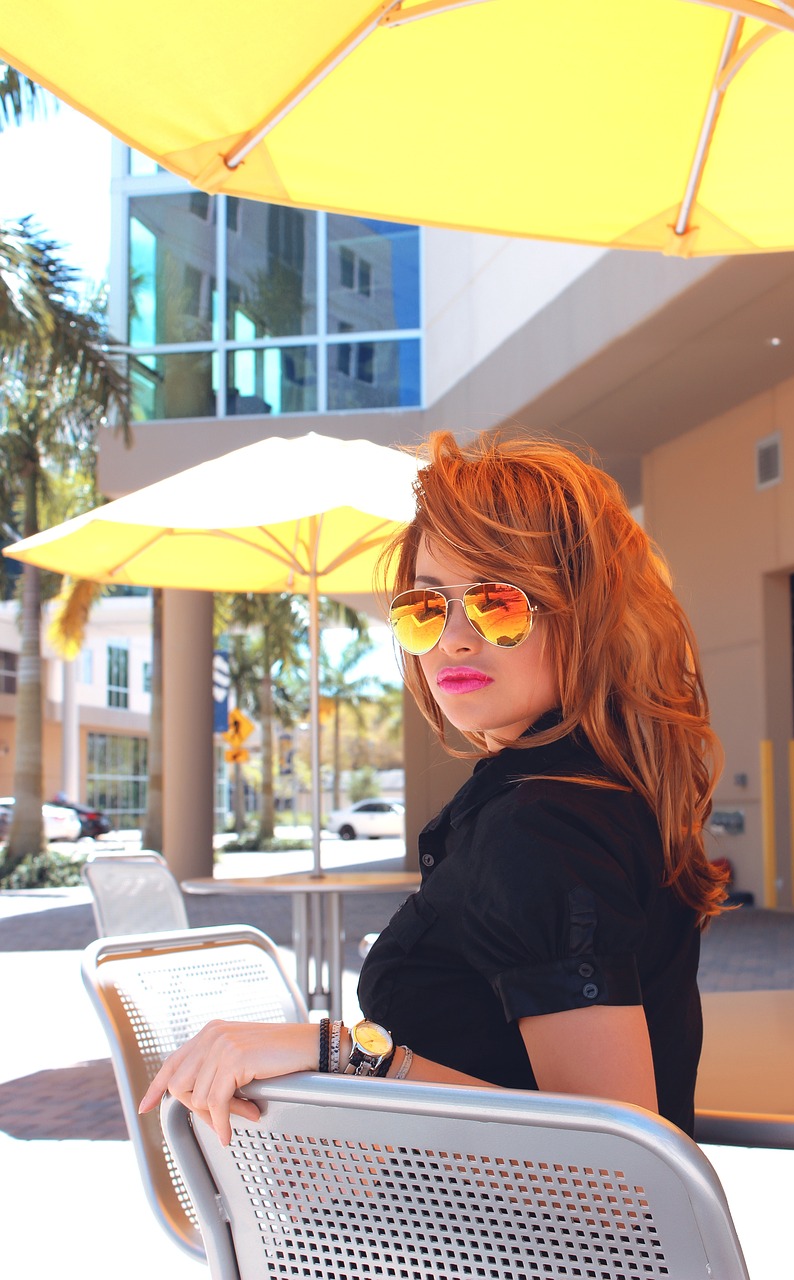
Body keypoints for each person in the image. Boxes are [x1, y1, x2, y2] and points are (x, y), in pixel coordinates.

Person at [140, 430, 728, 1143]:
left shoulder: (543, 828)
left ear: (586, 613)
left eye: (496, 603)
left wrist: (349, 1055)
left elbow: (614, 1170)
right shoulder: (578, 799)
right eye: (425, 608)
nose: (452, 638)